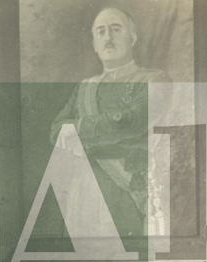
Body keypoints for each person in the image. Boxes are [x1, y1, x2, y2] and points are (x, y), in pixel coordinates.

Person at [49, 7, 169, 239]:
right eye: (101, 32)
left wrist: (79, 129)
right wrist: (83, 131)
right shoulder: (85, 87)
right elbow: (56, 130)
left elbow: (133, 122)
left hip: (128, 187)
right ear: (94, 44)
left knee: (131, 253)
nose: (108, 37)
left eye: (116, 29)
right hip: (84, 190)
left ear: (132, 37)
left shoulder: (154, 80)